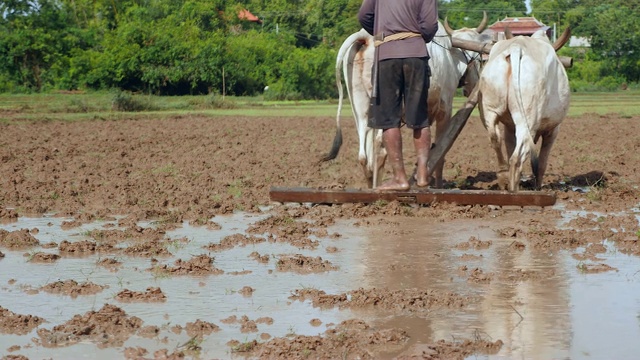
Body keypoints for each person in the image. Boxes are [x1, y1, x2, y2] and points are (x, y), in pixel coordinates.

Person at [358, 0, 439, 191]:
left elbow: (364, 16)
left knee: (389, 119)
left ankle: (400, 179)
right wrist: (415, 38)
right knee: (420, 118)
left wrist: (383, 33)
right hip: (416, 55)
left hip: (386, 56)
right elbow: (429, 25)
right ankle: (421, 175)